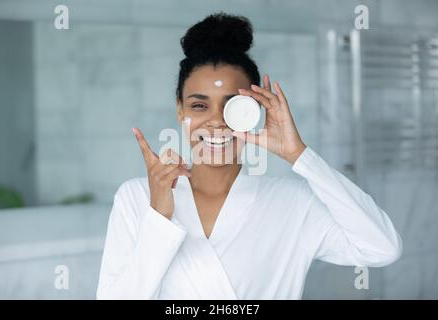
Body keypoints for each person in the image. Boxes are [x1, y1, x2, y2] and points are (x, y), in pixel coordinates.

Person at [97, 12, 402, 299]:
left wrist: (299, 154)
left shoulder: (293, 203)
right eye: (199, 105)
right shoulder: (137, 198)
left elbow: (382, 248)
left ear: (254, 110)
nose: (216, 121)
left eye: (232, 107)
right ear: (180, 109)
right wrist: (159, 217)